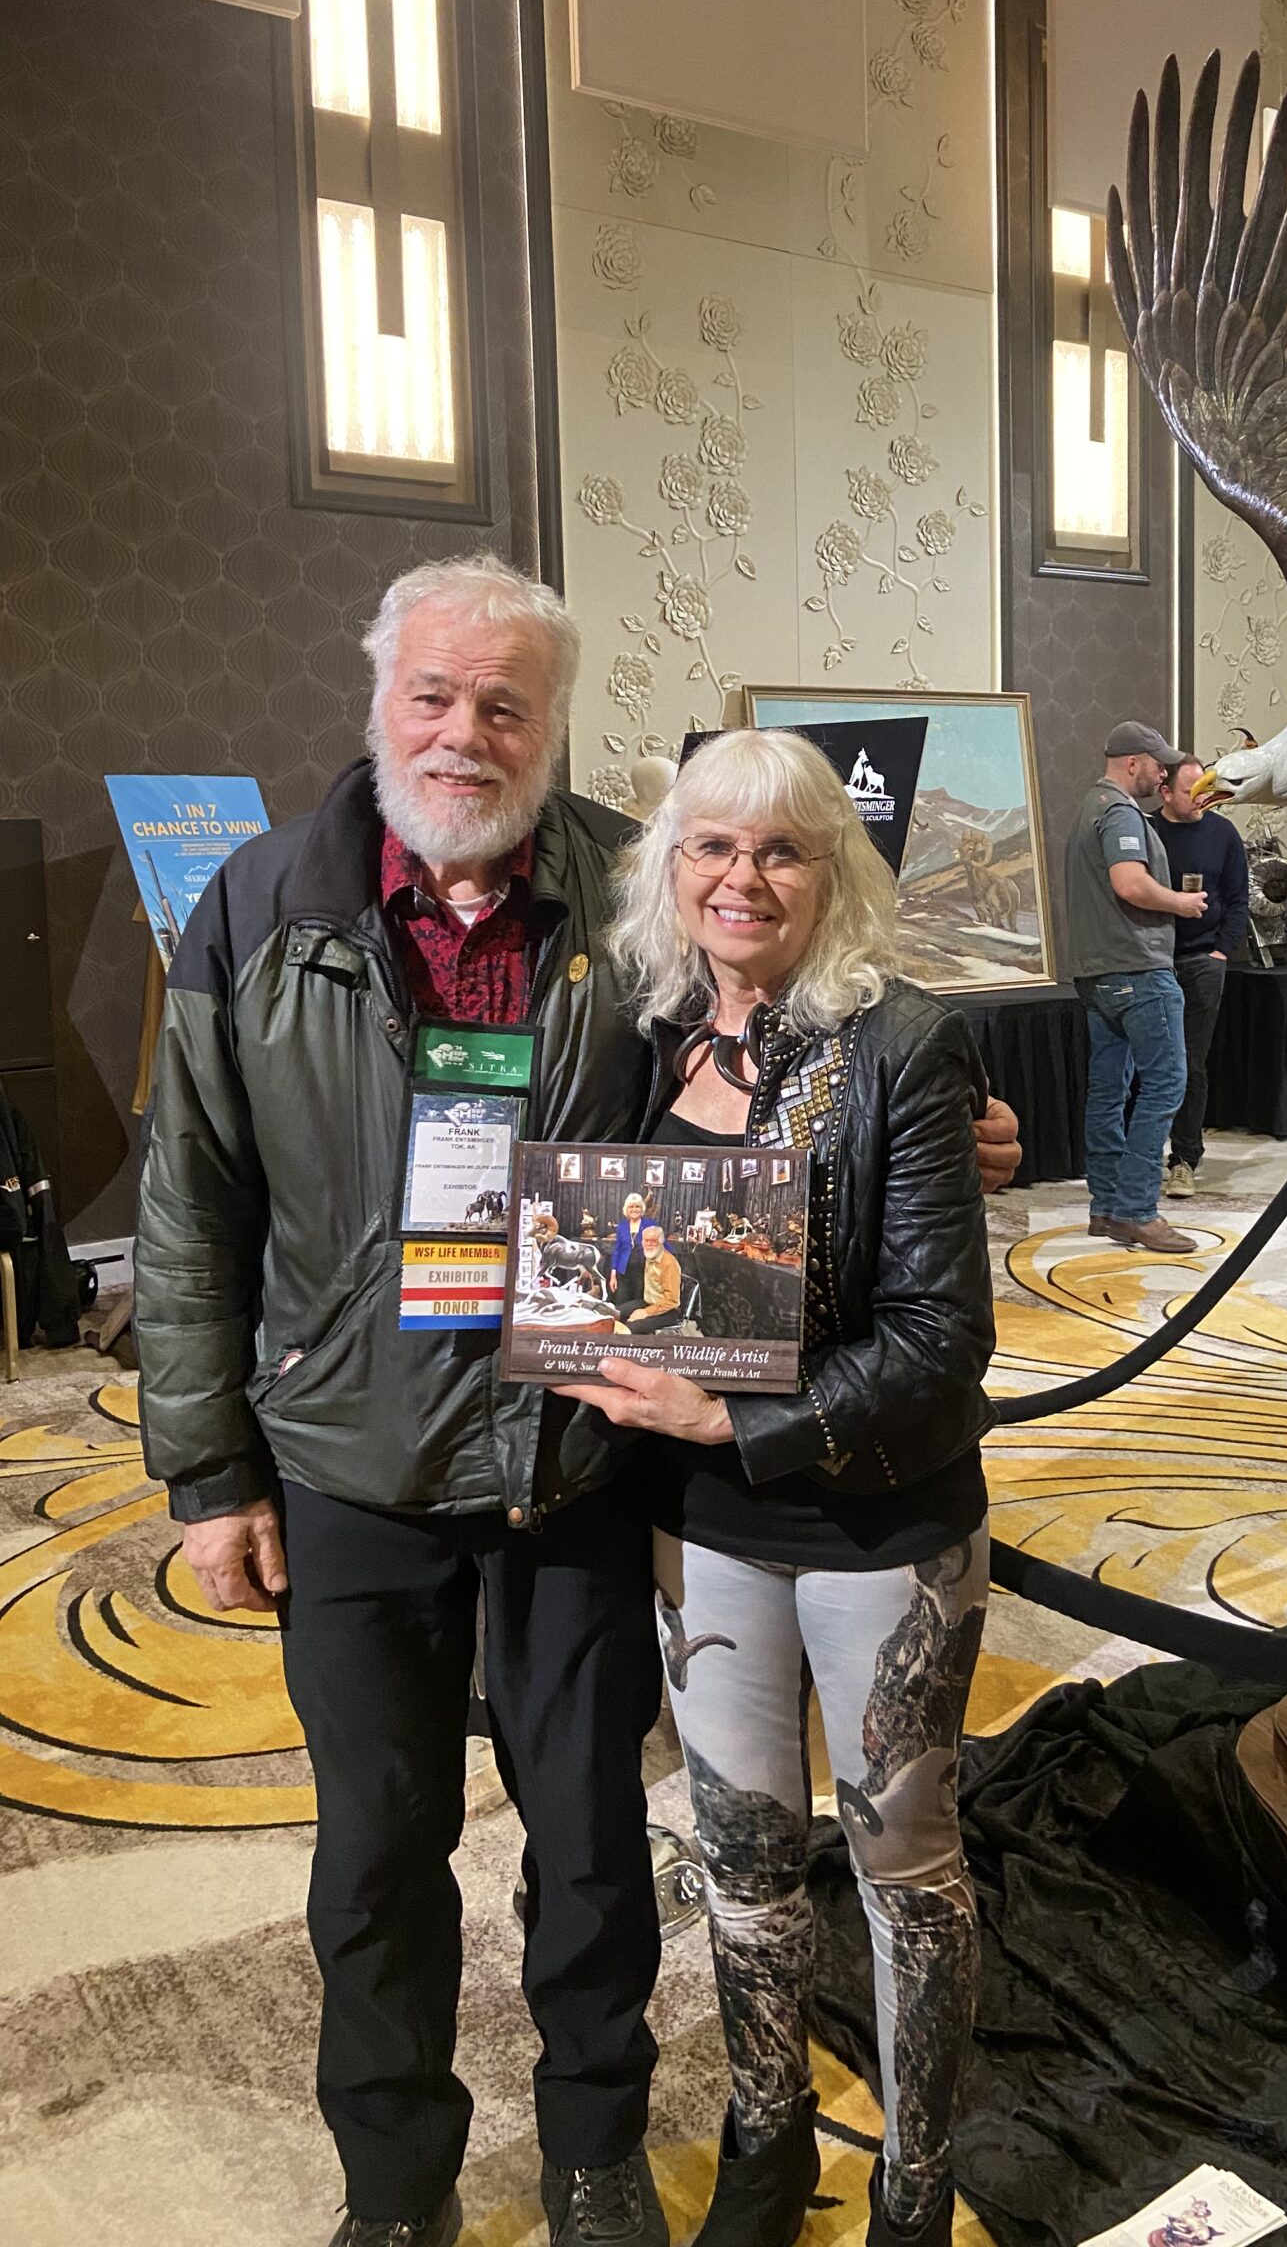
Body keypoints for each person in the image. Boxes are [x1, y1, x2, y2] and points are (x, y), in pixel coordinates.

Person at [134, 553, 1022, 2247]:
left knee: (597, 1844)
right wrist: (207, 1473)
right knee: (375, 1853)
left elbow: (793, 1048)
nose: (463, 734)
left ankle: (596, 2153)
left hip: (579, 1454)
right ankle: (396, 2184)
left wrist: (946, 1126)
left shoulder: (636, 889)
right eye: (434, 695)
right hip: (347, 1460)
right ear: (381, 699)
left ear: (550, 726)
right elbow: (190, 1206)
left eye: (505, 705)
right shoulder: (255, 910)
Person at [579, 727, 994, 2247]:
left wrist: (735, 1419)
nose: (741, 878)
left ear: (833, 872)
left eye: (780, 850)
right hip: (702, 1532)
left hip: (879, 1521)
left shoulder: (904, 1043)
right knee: (741, 1864)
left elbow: (943, 1341)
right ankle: (769, 2144)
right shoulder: (640, 1039)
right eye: (711, 845)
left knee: (906, 1872)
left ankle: (915, 2188)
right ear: (668, 866)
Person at [1062, 721, 1208, 1253]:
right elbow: (1130, 883)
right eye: (1157, 764)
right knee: (1166, 1085)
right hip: (1138, 971)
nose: (1162, 774)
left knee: (1108, 1093)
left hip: (1098, 976)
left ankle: (1106, 1208)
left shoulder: (1088, 807)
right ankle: (1137, 1211)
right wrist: (1181, 903)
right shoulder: (1120, 811)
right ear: (1132, 763)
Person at [1152, 756, 1251, 1199]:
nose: (1201, 799)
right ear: (1165, 792)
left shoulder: (1223, 833)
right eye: (1191, 791)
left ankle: (1184, 1159)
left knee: (1191, 1063)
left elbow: (1238, 898)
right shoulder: (1145, 831)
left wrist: (1220, 952)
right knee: (1152, 1063)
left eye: (1205, 790)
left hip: (1203, 962)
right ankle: (1142, 1156)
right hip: (1154, 962)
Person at [618, 1220, 684, 1332]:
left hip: (667, 1311)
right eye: (646, 1241)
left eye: (653, 1241)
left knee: (632, 1327)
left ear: (661, 1242)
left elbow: (672, 1300)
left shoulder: (669, 1263)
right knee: (616, 1313)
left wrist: (646, 1312)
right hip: (648, 1302)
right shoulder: (649, 1256)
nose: (649, 1244)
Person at [611, 1190, 649, 1275]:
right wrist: (613, 1272)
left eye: (637, 1206)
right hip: (624, 1272)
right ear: (626, 1209)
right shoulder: (621, 1227)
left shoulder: (649, 1225)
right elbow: (617, 1250)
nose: (634, 1209)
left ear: (642, 1209)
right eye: (631, 1207)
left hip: (644, 1271)